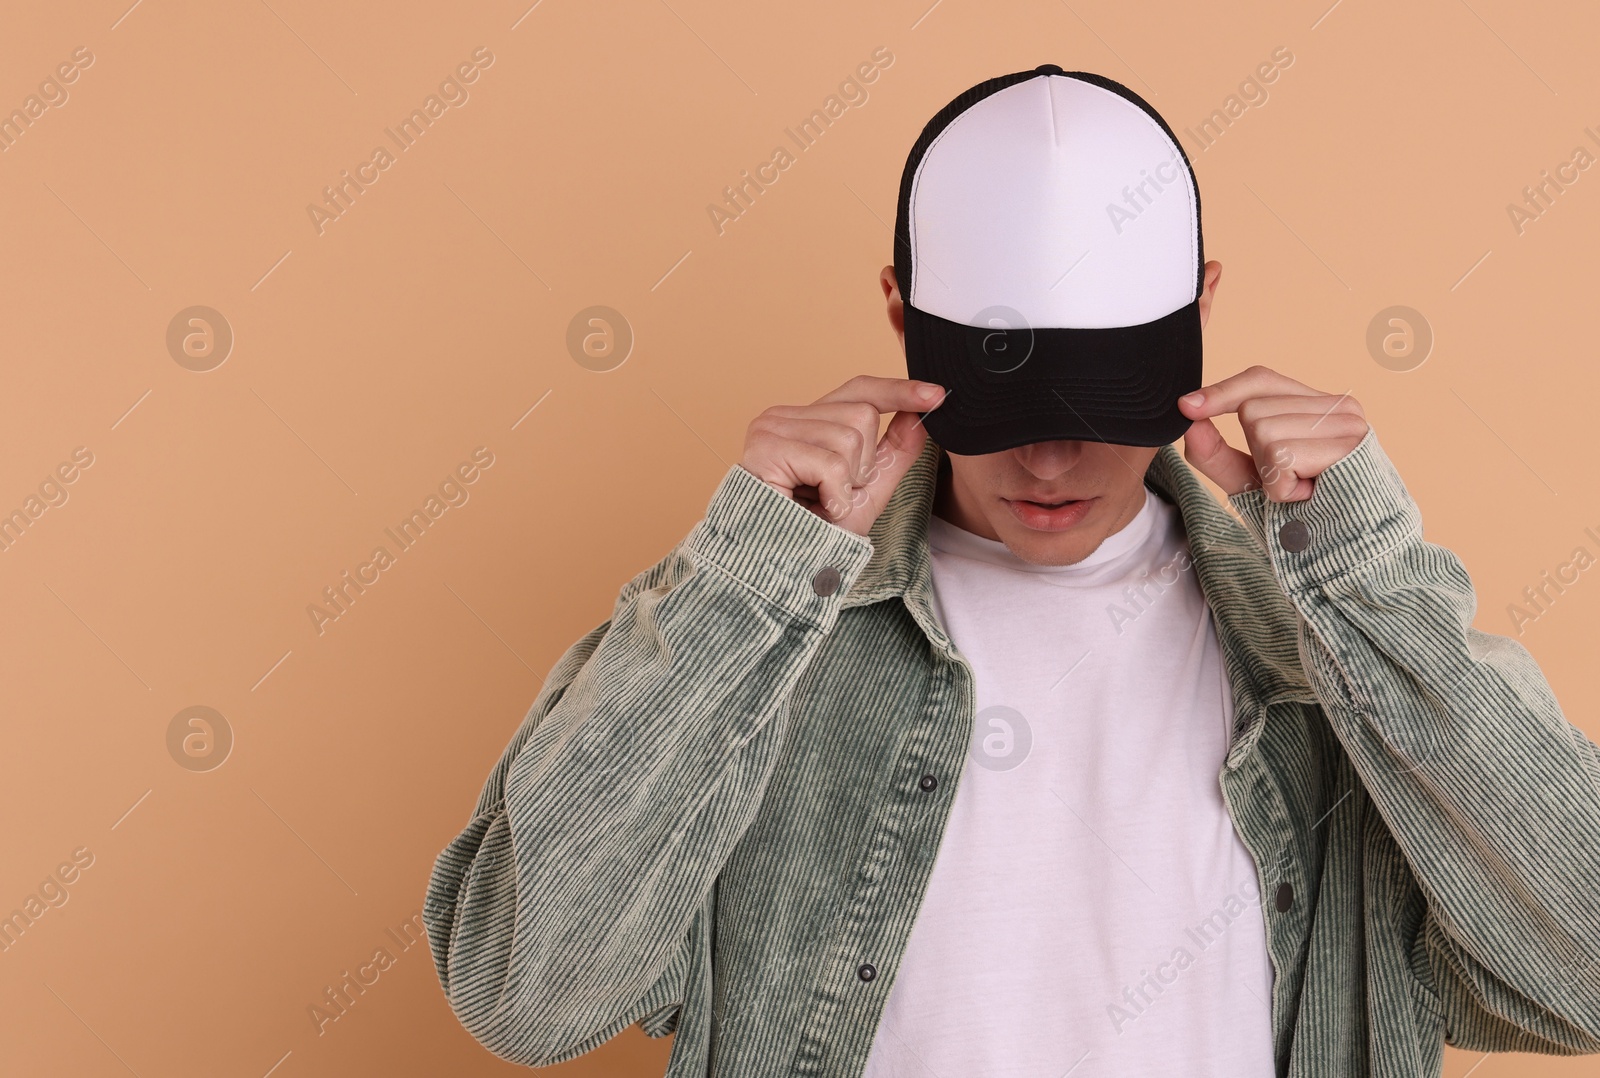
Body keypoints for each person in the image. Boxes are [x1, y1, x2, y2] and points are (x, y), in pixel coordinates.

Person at [425, 68, 1600, 1077]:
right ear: (898, 311)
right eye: (1006, 400)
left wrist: (1364, 578)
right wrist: (744, 580)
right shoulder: (763, 629)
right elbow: (524, 993)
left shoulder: (1321, 645)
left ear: (1199, 306)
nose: (1050, 453)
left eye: (1102, 398)